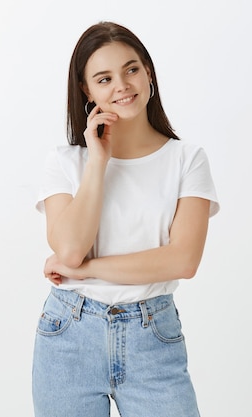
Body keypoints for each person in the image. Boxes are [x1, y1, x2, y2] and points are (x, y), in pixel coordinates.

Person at [32, 21, 219, 417]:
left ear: (148, 71)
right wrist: (98, 160)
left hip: (152, 336)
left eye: (131, 69)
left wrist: (86, 270)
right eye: (104, 78)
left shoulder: (187, 160)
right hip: (69, 335)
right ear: (87, 91)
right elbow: (69, 248)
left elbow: (182, 260)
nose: (122, 85)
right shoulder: (65, 163)